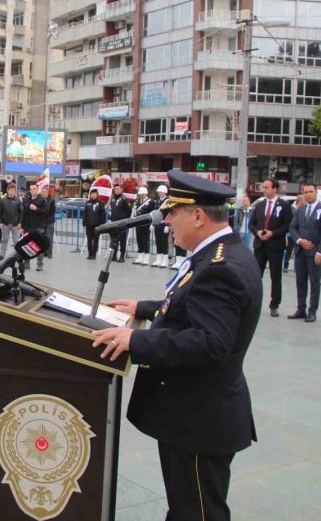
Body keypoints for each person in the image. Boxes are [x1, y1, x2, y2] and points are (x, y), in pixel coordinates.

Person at [92, 169, 261, 521]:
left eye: (174, 212)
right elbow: (194, 304)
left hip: (199, 419)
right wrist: (146, 308)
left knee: (197, 512)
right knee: (187, 508)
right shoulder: (218, 253)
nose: (167, 219)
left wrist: (136, 340)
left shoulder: (220, 267)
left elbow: (210, 341)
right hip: (197, 412)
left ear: (198, 215)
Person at [247, 178, 293, 318]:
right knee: (255, 276)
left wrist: (273, 233)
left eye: (266, 187)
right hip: (260, 245)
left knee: (275, 276)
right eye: (263, 187)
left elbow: (287, 225)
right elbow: (252, 224)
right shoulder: (260, 205)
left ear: (275, 189)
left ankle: (274, 304)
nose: (264, 190)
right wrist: (258, 232)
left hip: (275, 246)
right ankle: (252, 303)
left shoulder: (284, 205)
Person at [288, 183, 321, 323]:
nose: (308, 194)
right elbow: (293, 228)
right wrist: (299, 240)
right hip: (300, 251)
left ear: (316, 192)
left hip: (314, 252)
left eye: (311, 191)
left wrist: (320, 252)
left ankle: (312, 311)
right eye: (305, 192)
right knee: (300, 281)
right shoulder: (300, 210)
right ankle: (301, 309)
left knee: (314, 282)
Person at [18, 183, 48, 272]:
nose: (32, 190)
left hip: (38, 227)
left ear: (37, 189)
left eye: (34, 189)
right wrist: (22, 226)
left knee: (39, 246)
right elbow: (24, 214)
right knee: (27, 246)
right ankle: (27, 263)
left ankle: (40, 264)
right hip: (28, 227)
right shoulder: (27, 200)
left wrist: (36, 209)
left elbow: (46, 212)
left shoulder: (42, 200)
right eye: (31, 189)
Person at [108, 184, 132, 263]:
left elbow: (129, 210)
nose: (116, 190)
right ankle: (114, 255)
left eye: (118, 189)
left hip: (122, 222)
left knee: (122, 240)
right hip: (114, 222)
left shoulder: (124, 199)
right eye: (115, 189)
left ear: (121, 189)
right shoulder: (112, 198)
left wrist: (125, 219)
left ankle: (122, 256)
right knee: (114, 239)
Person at [132, 187, 156, 265]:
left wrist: (152, 224)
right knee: (139, 240)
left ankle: (146, 257)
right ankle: (140, 256)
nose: (141, 195)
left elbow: (152, 213)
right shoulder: (138, 202)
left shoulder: (151, 202)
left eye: (142, 193)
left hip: (146, 223)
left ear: (146, 193)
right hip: (138, 223)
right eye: (140, 194)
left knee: (145, 240)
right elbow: (136, 212)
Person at [0, 184, 22, 259]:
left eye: (13, 190)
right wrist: (0, 222)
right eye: (10, 190)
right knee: (4, 240)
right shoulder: (3, 200)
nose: (12, 192)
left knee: (16, 241)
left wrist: (20, 223)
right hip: (5, 223)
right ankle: (2, 255)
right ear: (7, 191)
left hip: (15, 224)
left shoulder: (18, 200)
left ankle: (18, 256)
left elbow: (21, 212)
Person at [82, 189, 106, 259]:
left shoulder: (100, 203)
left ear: (97, 195)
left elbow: (103, 214)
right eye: (92, 194)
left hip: (97, 226)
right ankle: (90, 253)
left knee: (95, 240)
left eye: (95, 194)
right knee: (89, 240)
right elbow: (85, 214)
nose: (93, 195)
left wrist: (102, 223)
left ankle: (94, 254)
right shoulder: (87, 203)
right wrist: (84, 223)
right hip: (89, 225)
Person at [151, 185, 170, 267]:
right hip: (157, 224)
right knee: (158, 241)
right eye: (158, 192)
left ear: (165, 192)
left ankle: (165, 260)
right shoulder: (157, 200)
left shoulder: (168, 201)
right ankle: (158, 259)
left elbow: (169, 214)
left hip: (164, 223)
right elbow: (155, 213)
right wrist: (152, 224)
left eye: (160, 192)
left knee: (164, 242)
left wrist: (167, 225)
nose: (159, 193)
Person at [41, 187, 56, 259]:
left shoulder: (51, 200)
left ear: (47, 193)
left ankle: (50, 252)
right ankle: (44, 252)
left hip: (49, 222)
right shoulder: (41, 200)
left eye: (43, 192)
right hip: (42, 222)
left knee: (49, 237)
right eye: (41, 192)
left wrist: (44, 213)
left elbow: (52, 211)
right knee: (42, 238)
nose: (42, 193)